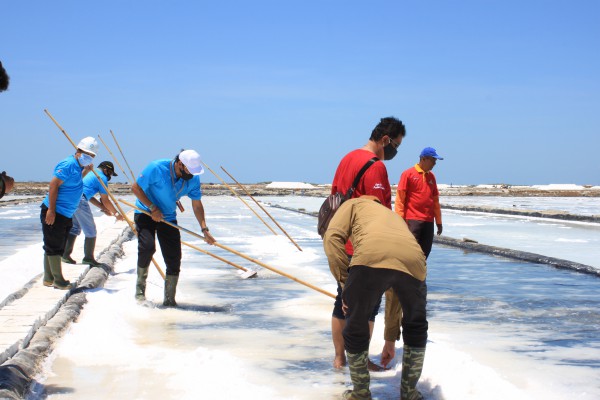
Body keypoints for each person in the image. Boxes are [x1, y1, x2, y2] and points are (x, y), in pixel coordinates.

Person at [323, 196, 428, 400]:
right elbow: (395, 290)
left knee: (355, 326)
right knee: (415, 325)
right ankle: (410, 393)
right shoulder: (392, 216)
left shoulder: (350, 204)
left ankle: (361, 393)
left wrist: (345, 284)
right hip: (414, 261)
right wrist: (390, 338)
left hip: (369, 258)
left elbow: (332, 238)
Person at [329, 116, 406, 370]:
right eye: (396, 144)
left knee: (343, 302)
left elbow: (334, 197)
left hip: (342, 242)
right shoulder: (375, 167)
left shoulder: (347, 158)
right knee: (368, 308)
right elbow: (379, 212)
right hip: (364, 247)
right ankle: (359, 362)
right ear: (385, 140)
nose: (395, 150)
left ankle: (340, 358)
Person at [131, 149, 216, 306]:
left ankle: (169, 301)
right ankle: (139, 293)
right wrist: (152, 208)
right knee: (147, 247)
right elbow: (136, 187)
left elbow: (197, 204)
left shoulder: (193, 178)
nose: (192, 175)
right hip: (145, 212)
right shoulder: (156, 167)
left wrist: (205, 229)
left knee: (174, 257)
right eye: (189, 171)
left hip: (168, 216)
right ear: (179, 164)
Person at [40, 137, 99, 290]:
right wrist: (51, 210)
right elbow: (53, 185)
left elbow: (74, 182)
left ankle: (48, 278)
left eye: (92, 156)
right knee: (54, 247)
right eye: (87, 154)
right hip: (56, 211)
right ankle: (59, 280)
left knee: (53, 244)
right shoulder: (68, 164)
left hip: (66, 213)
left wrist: (86, 171)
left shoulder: (78, 167)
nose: (90, 157)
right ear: (78, 151)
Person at [62, 161, 123, 266]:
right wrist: (116, 214)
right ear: (105, 170)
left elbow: (89, 196)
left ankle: (65, 255)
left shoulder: (92, 174)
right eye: (110, 173)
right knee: (91, 230)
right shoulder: (101, 178)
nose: (110, 176)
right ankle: (88, 258)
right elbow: (105, 200)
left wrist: (103, 208)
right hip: (80, 200)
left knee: (75, 227)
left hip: (72, 198)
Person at [394, 147, 444, 259]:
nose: (434, 163)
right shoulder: (408, 174)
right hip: (412, 220)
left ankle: (421, 276)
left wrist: (439, 222)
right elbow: (400, 200)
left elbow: (435, 201)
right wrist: (399, 220)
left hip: (428, 221)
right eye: (433, 160)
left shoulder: (432, 177)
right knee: (410, 251)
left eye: (435, 161)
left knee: (425, 253)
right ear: (423, 159)